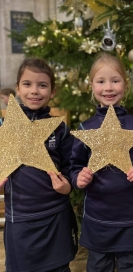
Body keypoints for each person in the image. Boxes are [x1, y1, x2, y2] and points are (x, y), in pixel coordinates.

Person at [69, 53, 133, 272]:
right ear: (92, 86)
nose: (108, 87)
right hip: (97, 218)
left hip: (132, 218)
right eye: (101, 81)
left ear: (125, 85)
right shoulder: (85, 129)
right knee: (98, 266)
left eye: (115, 80)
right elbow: (74, 166)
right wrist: (78, 178)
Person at [0, 57, 78, 271]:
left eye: (42, 85)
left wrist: (68, 185)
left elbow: (73, 166)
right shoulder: (6, 129)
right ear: (17, 88)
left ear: (52, 91)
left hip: (56, 217)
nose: (34, 90)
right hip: (21, 220)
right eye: (27, 84)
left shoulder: (60, 130)